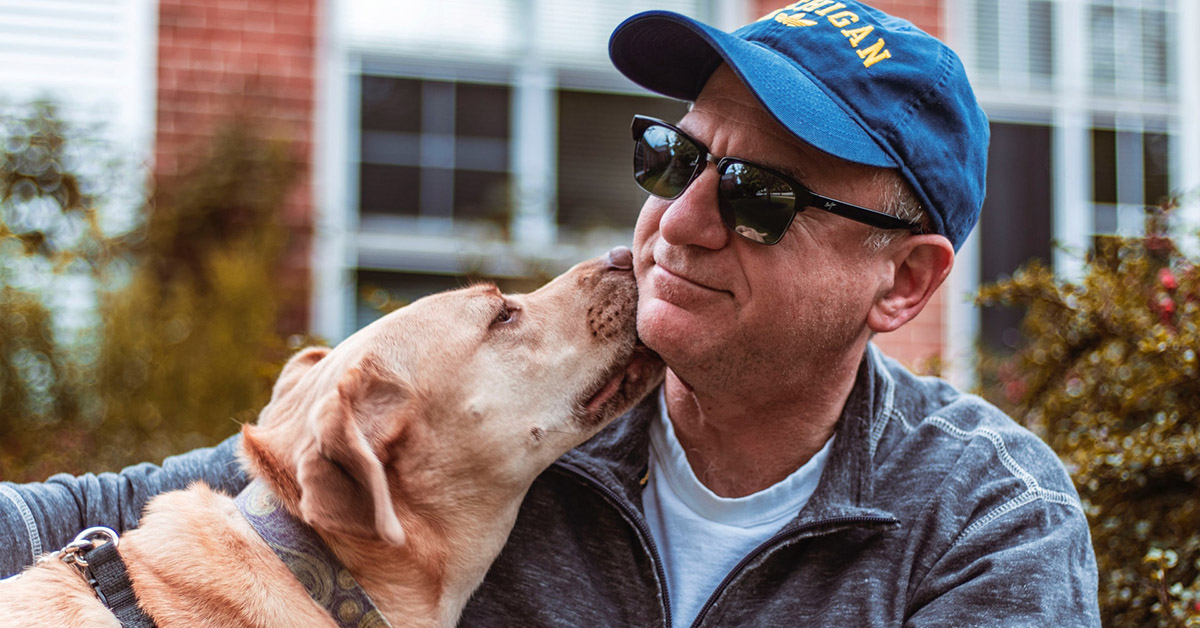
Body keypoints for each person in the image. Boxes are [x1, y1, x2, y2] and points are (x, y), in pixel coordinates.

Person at [1, 1, 1100, 625]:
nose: (676, 224)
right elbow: (121, 515)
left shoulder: (980, 519)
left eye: (760, 198)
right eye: (673, 158)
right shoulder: (507, 425)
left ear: (903, 284)